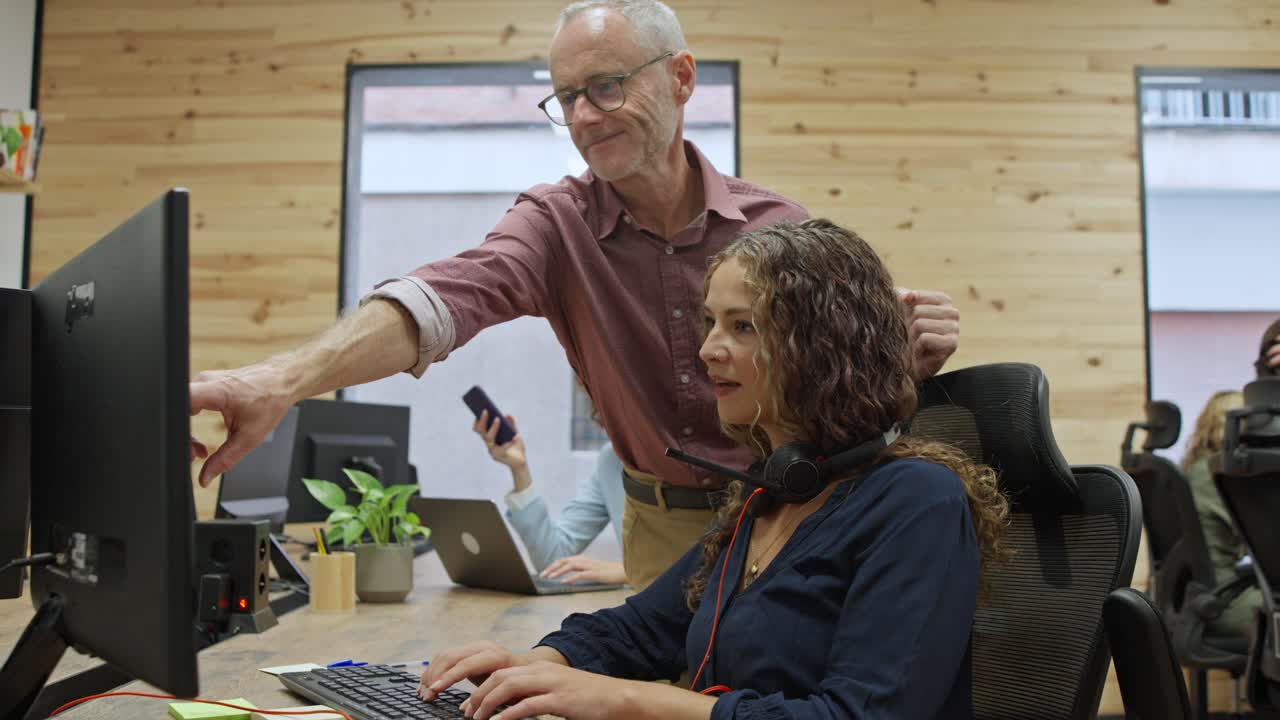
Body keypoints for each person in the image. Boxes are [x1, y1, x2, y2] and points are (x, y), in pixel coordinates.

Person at [188, 0, 961, 591]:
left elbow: (846, 396)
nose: (585, 116)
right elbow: (437, 301)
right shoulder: (554, 225)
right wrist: (279, 381)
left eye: (607, 87)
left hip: (793, 520)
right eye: (566, 98)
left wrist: (906, 360)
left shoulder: (781, 227)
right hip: (657, 533)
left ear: (681, 78)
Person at [415, 219, 1009, 720]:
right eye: (711, 322)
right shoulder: (770, 495)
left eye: (742, 326)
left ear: (821, 346)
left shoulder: (917, 500)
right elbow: (643, 628)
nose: (707, 349)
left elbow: (859, 715)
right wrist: (531, 666)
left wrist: (620, 699)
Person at [473, 409, 626, 585]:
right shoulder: (612, 461)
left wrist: (629, 572)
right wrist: (519, 468)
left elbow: (651, 569)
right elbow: (552, 561)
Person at [1182, 390, 1260, 637]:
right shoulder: (1215, 476)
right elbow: (1259, 539)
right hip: (1225, 600)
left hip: (1210, 594)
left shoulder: (1198, 468)